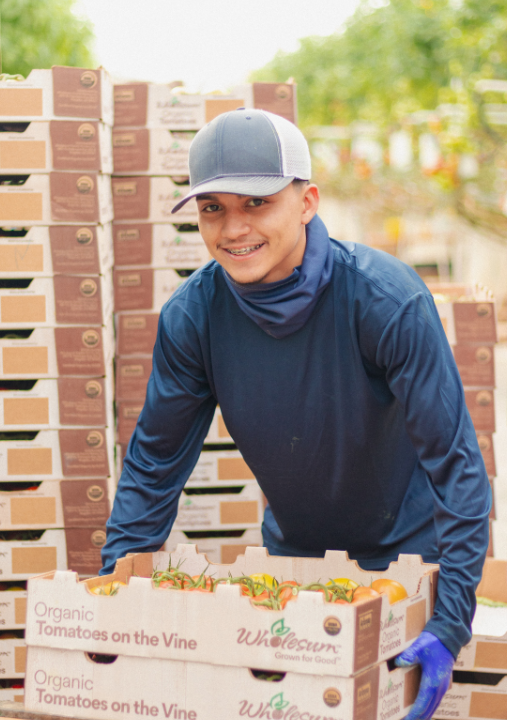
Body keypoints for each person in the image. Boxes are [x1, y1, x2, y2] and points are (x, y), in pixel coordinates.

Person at [101, 108, 491, 720]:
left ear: (307, 201)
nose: (234, 228)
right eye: (213, 209)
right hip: (293, 565)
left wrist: (449, 623)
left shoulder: (385, 301)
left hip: (409, 565)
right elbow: (153, 464)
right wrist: (112, 597)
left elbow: (457, 468)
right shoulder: (194, 318)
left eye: (256, 203)